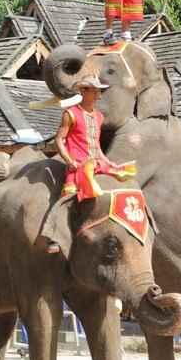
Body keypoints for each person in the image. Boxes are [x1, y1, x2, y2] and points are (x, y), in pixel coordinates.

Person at [47, 74, 135, 253]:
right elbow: (59, 140)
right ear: (83, 91)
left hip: (97, 162)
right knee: (67, 197)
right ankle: (55, 235)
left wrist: (107, 160)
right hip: (79, 165)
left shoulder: (99, 117)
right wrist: (69, 161)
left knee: (126, 179)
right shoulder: (70, 114)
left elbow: (95, 144)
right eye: (94, 91)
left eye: (99, 91)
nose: (98, 96)